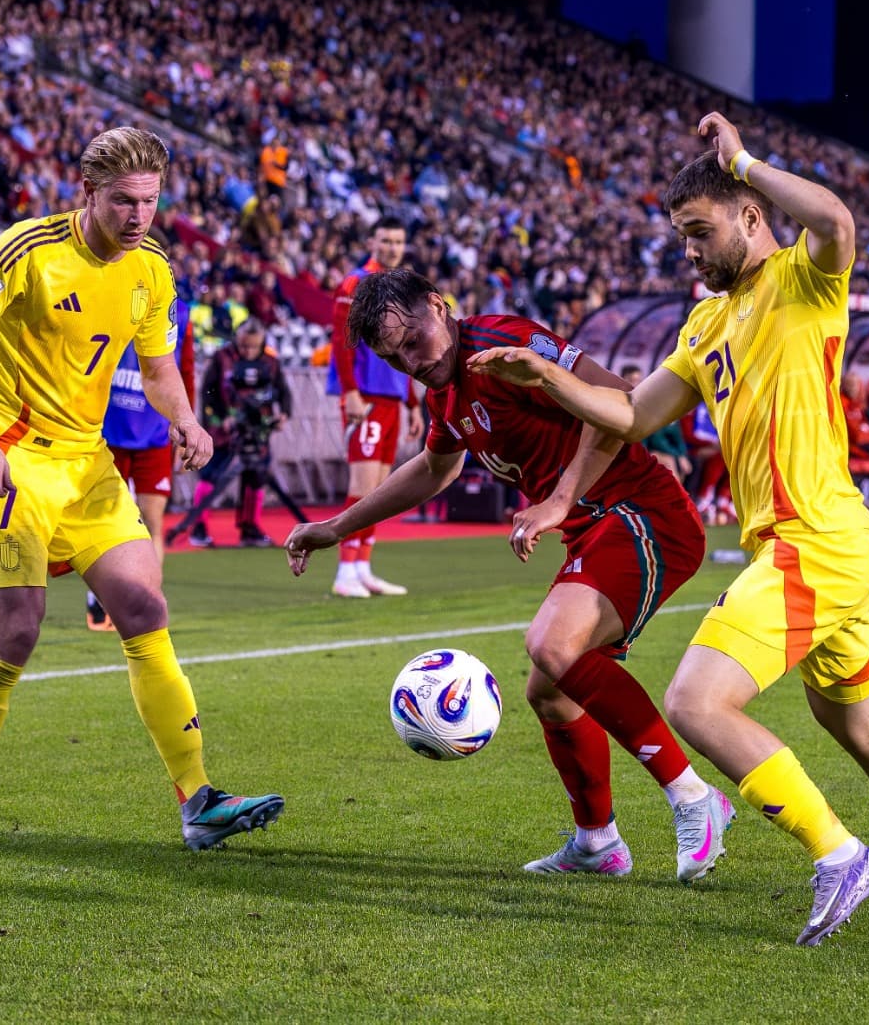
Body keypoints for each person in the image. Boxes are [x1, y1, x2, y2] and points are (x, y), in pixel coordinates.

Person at [470, 113, 869, 946]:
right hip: (822, 544)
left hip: (815, 539)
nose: (688, 250)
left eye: (699, 231)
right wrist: (543, 375)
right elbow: (630, 415)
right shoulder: (704, 325)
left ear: (750, 215)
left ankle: (840, 855)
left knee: (694, 700)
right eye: (680, 235)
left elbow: (836, 219)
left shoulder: (804, 278)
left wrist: (744, 160)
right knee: (856, 725)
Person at [286, 268, 731, 881]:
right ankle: (597, 843)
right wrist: (337, 527)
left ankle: (694, 797)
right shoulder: (445, 393)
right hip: (594, 528)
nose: (412, 362)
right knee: (550, 691)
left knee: (552, 645)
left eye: (413, 340)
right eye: (394, 358)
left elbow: (618, 398)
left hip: (643, 512)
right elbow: (433, 469)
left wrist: (557, 500)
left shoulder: (504, 342)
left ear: (439, 306)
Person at [0, 126, 282, 855]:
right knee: (17, 629)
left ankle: (199, 801)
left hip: (87, 462)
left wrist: (186, 421)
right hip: (10, 457)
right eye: (123, 201)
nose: (139, 217)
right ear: (87, 193)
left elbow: (158, 366)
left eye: (150, 201)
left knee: (145, 606)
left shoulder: (152, 267)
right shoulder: (26, 250)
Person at [326, 216, 424, 598]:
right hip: (365, 396)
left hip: (393, 396)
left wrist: (412, 403)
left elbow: (407, 349)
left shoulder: (401, 287)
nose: (392, 248)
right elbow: (341, 340)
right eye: (385, 240)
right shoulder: (355, 283)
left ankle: (363, 566)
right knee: (362, 486)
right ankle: (345, 570)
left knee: (379, 490)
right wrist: (350, 392)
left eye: (398, 241)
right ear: (372, 242)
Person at [85, 316, 197, 631]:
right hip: (107, 429)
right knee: (103, 520)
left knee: (152, 522)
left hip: (155, 434)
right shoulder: (110, 295)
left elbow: (185, 373)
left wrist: (186, 425)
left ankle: (147, 599)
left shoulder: (179, 313)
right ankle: (99, 598)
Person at [187, 318, 293, 548]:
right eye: (244, 345)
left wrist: (283, 414)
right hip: (224, 431)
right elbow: (208, 392)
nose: (248, 351)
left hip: (257, 432)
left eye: (254, 346)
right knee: (210, 476)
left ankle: (250, 528)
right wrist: (220, 418)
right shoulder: (221, 358)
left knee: (257, 477)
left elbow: (284, 392)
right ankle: (198, 527)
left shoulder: (271, 362)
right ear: (237, 339)